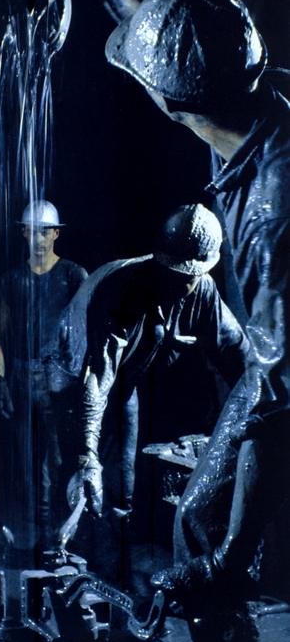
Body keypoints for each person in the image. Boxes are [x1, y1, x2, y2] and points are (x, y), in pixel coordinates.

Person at [105, 0, 290, 642]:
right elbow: (158, 25)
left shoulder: (272, 214)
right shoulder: (248, 94)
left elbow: (280, 398)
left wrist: (231, 558)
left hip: (287, 374)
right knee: (197, 516)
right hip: (280, 356)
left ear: (172, 105)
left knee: (218, 549)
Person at [66, 204, 248, 585]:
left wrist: (263, 414)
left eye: (189, 277)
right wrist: (86, 457)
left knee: (123, 486)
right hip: (70, 375)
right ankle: (69, 562)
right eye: (172, 274)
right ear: (159, 262)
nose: (180, 284)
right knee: (79, 480)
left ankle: (114, 574)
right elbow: (96, 379)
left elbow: (240, 357)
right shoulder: (121, 290)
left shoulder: (202, 291)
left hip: (125, 380)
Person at [0, 200, 87, 555]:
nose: (38, 239)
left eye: (45, 232)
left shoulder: (73, 275)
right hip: (21, 375)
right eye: (32, 231)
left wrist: (80, 379)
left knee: (59, 459)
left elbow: (86, 332)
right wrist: (0, 380)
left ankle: (64, 534)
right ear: (23, 232)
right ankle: (41, 535)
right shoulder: (12, 279)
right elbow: (0, 334)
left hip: (58, 379)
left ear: (56, 234)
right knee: (28, 462)